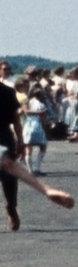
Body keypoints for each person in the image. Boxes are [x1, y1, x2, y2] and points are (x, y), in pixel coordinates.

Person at [0, 64, 20, 231]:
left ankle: (11, 206)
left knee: (9, 176)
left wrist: (20, 140)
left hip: (3, 136)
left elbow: (16, 119)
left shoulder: (7, 92)